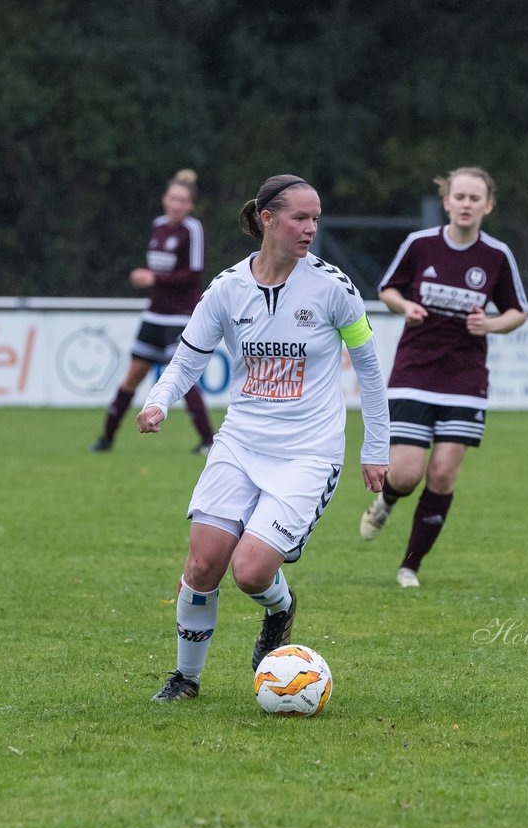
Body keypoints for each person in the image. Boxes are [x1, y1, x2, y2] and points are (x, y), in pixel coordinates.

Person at [137, 174, 390, 702]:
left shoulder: (333, 287)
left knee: (250, 571)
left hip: (308, 453)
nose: (311, 229)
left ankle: (280, 608)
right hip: (240, 443)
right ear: (267, 220)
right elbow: (188, 357)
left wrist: (376, 447)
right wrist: (159, 400)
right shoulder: (227, 289)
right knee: (203, 562)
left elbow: (367, 365)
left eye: (315, 218)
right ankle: (186, 678)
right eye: (300, 218)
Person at [359, 167, 528, 588]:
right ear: (447, 202)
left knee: (442, 476)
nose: (467, 204)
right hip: (414, 373)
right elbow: (387, 289)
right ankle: (388, 499)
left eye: (476, 198)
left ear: (487, 205)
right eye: (460, 197)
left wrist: (490, 325)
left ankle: (409, 567)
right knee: (406, 473)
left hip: (465, 381)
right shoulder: (420, 245)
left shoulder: (497, 256)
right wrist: (405, 307)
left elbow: (517, 311)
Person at [91, 169, 215, 454]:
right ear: (164, 200)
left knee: (182, 376)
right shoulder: (158, 225)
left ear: (191, 205)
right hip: (154, 314)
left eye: (183, 200)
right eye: (173, 198)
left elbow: (194, 275)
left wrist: (154, 278)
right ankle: (106, 438)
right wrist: (148, 278)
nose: (177, 204)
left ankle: (208, 442)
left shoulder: (192, 230)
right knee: (133, 376)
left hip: (181, 316)